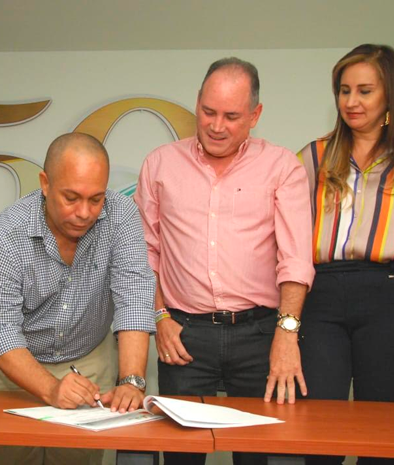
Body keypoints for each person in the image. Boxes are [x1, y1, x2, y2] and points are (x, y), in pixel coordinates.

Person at [134, 57, 314, 465]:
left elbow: (295, 258)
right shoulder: (160, 164)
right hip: (184, 335)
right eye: (208, 111)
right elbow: (145, 252)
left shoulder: (282, 167)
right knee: (181, 457)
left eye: (231, 116)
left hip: (260, 335)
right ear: (197, 102)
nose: (216, 126)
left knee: (260, 456)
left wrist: (286, 335)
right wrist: (159, 316)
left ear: (255, 115)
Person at [296, 44, 394, 465]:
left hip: (392, 302)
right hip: (321, 299)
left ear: (391, 96)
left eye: (365, 91)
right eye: (344, 90)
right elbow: (287, 241)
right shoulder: (313, 157)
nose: (352, 101)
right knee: (319, 438)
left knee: (383, 443)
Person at [0, 132, 156, 465]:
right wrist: (51, 388)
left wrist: (131, 380)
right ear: (45, 183)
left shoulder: (122, 216)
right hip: (13, 366)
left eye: (96, 199)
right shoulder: (8, 232)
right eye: (71, 198)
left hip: (87, 358)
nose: (84, 212)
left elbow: (133, 298)